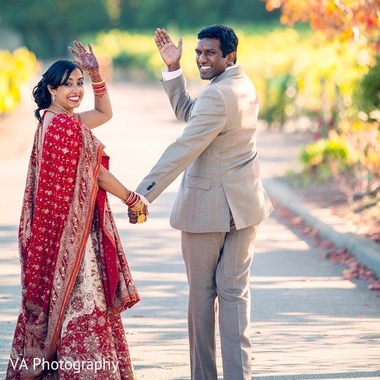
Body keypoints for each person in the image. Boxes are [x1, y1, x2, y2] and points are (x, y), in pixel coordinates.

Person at [131, 25, 273, 380]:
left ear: (230, 56)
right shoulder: (242, 85)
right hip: (245, 208)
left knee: (201, 299)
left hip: (207, 212)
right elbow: (192, 112)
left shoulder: (217, 95)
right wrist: (174, 69)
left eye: (209, 53)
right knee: (234, 296)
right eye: (198, 52)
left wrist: (143, 193)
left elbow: (184, 146)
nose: (202, 59)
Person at [7, 42, 148, 380]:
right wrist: (132, 198)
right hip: (71, 239)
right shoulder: (65, 127)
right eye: (67, 84)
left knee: (62, 304)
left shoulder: (52, 121)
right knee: (79, 301)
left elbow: (103, 114)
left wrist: (98, 75)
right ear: (51, 89)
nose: (76, 90)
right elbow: (95, 173)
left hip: (57, 233)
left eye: (79, 82)